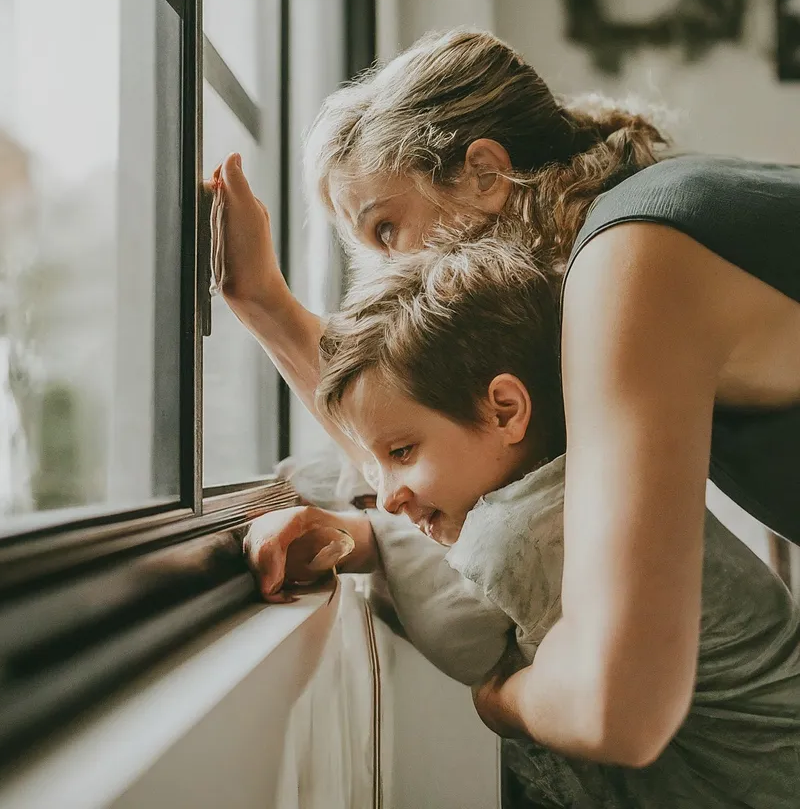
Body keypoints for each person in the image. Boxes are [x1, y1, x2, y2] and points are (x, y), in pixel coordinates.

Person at [211, 27, 800, 766]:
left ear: (485, 173)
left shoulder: (633, 262)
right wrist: (267, 307)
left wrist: (500, 697)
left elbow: (617, 710)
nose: (383, 280)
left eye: (387, 231)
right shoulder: (630, 245)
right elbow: (413, 421)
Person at [307, 230, 800, 807]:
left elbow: (459, 641)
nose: (388, 496)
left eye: (402, 453)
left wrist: (495, 700)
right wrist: (365, 535)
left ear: (505, 410)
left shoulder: (519, 531)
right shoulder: (594, 478)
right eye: (374, 462)